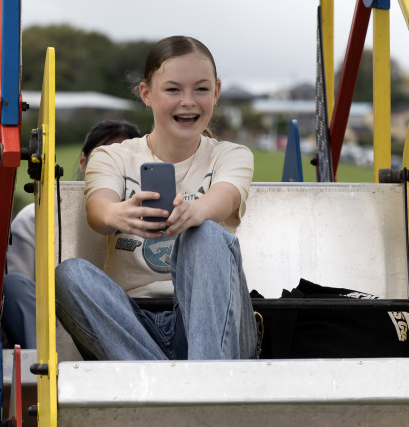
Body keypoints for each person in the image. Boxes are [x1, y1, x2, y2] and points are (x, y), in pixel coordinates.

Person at [54, 36, 259, 361]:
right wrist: (116, 214)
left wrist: (197, 210)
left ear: (216, 92)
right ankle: (169, 376)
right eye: (173, 90)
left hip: (215, 321)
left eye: (201, 89)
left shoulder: (231, 155)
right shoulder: (112, 157)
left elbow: (225, 196)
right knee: (69, 275)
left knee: (206, 233)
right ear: (146, 94)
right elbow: (98, 208)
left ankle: (207, 373)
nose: (188, 101)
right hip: (133, 322)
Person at [1, 120, 141, 350]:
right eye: (104, 160)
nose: (113, 170)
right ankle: (44, 360)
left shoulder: (152, 218)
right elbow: (20, 290)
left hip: (126, 322)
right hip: (48, 322)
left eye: (124, 161)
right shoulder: (33, 218)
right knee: (13, 284)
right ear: (83, 163)